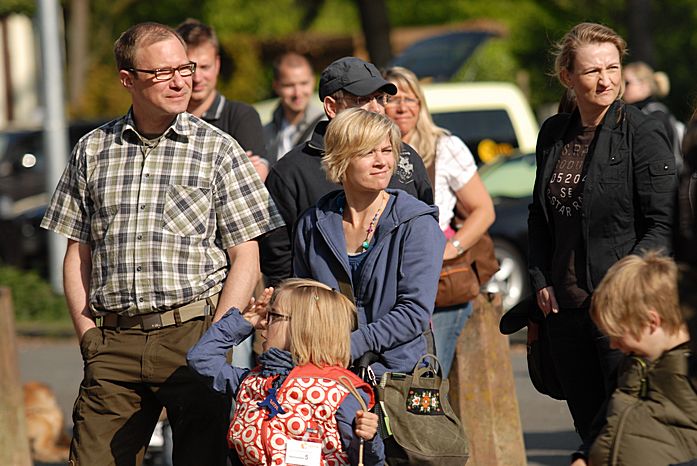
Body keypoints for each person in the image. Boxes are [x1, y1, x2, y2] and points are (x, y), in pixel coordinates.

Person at [40, 22, 284, 465]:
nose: (180, 82)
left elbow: (245, 255)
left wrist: (217, 340)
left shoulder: (219, 149)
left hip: (192, 336)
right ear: (127, 79)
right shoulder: (92, 150)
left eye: (184, 69)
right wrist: (88, 336)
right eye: (162, 73)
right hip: (112, 341)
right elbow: (78, 253)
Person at [528, 22, 676, 449]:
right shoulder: (553, 134)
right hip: (564, 311)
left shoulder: (643, 133)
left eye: (613, 68)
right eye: (593, 71)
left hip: (621, 311)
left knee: (629, 435)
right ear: (568, 76)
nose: (606, 80)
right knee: (590, 434)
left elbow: (663, 224)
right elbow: (539, 217)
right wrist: (540, 279)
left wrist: (621, 285)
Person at [293, 108, 444, 377]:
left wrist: (349, 346)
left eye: (387, 150)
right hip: (325, 374)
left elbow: (414, 313)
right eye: (368, 152)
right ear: (340, 159)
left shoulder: (417, 224)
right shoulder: (312, 224)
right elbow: (303, 305)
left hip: (396, 377)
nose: (382, 162)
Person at [261, 56, 433, 288]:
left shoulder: (405, 156)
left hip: (402, 302)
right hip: (320, 305)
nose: (375, 109)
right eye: (362, 99)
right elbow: (279, 263)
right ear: (332, 107)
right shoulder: (291, 172)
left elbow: (425, 235)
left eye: (380, 98)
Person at [187, 278, 384, 465]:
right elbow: (201, 358)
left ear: (303, 327)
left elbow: (368, 461)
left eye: (273, 316)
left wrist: (367, 439)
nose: (264, 323)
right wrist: (245, 321)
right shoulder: (253, 382)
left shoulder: (339, 392)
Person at [383, 66, 495, 376]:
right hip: (388, 282)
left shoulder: (444, 146)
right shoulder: (372, 151)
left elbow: (483, 209)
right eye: (393, 99)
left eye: (410, 99)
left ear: (421, 104)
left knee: (427, 376)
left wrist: (450, 248)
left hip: (439, 285)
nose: (403, 107)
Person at [567, 252, 697, 466]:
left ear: (651, 322)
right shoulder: (631, 365)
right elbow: (605, 422)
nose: (613, 345)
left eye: (618, 335)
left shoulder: (690, 368)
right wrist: (584, 455)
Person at [176, 19, 270, 181]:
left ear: (217, 64)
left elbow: (255, 176)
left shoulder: (240, 116)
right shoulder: (166, 118)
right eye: (189, 68)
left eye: (205, 67)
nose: (197, 77)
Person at [263, 52, 325, 161]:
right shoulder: (265, 134)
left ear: (313, 82)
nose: (297, 93)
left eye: (304, 83)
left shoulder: (327, 129)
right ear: (276, 86)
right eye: (289, 85)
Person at [623, 61, 684, 170]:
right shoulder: (640, 112)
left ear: (644, 85)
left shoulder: (655, 114)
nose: (622, 87)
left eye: (626, 83)